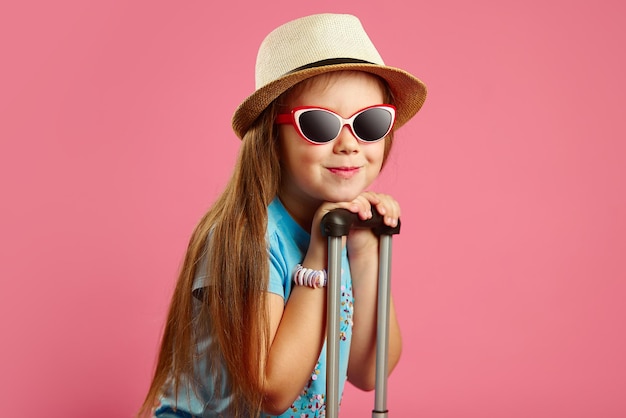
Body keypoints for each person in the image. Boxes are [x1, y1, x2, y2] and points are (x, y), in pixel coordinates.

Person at [138, 13, 427, 418]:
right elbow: (271, 391)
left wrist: (364, 252)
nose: (349, 144)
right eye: (320, 125)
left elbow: (369, 371)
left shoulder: (340, 226)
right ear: (272, 138)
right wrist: (320, 252)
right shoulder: (247, 236)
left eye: (369, 122)